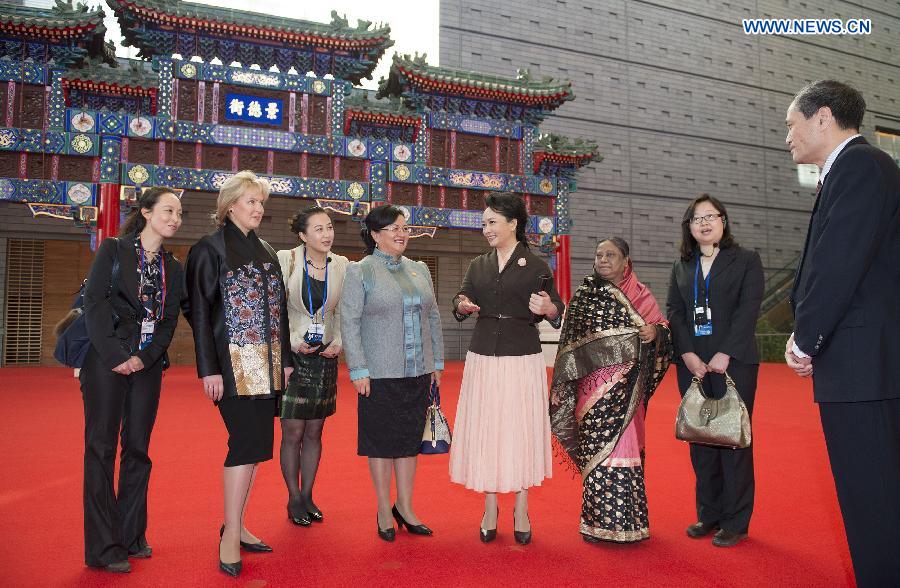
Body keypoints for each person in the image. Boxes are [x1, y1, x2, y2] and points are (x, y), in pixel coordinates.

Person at [783, 80, 900, 586]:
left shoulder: (860, 168)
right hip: (861, 363)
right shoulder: (855, 170)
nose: (787, 136)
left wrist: (806, 339)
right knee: (874, 493)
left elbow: (838, 264)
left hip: (862, 368)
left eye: (791, 124)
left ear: (823, 118)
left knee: (871, 497)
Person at [184, 171, 292, 577]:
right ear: (230, 206)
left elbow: (278, 308)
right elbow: (196, 311)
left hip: (268, 364)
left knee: (256, 447)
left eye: (261, 202)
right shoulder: (208, 249)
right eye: (251, 201)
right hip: (233, 364)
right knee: (244, 444)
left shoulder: (264, 248)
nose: (258, 208)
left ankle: (239, 523)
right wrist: (208, 369)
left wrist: (284, 360)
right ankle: (230, 534)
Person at [449, 192, 564, 545]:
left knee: (519, 430)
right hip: (483, 356)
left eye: (492, 222)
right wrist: (463, 304)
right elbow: (460, 298)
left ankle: (522, 507)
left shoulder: (538, 265)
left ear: (513, 224)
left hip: (521, 357)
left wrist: (548, 307)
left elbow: (556, 307)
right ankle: (489, 507)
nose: (487, 229)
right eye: (484, 223)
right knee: (489, 429)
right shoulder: (478, 265)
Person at [80, 187, 184, 573]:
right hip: (105, 360)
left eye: (179, 213)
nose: (175, 218)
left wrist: (144, 358)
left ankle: (132, 534)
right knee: (101, 448)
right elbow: (95, 302)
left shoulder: (174, 266)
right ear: (146, 212)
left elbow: (169, 320)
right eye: (168, 210)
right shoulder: (114, 249)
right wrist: (116, 357)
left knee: (138, 448)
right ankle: (103, 547)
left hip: (147, 364)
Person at [551, 237, 672, 543]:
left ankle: (629, 526)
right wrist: (564, 385)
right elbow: (569, 346)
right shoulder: (584, 297)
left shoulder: (640, 295)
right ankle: (594, 525)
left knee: (624, 453)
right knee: (597, 456)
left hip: (627, 393)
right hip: (591, 392)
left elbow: (664, 330)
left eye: (610, 255)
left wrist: (654, 332)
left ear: (625, 262)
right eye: (598, 254)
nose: (603, 259)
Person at [339, 205, 444, 542]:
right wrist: (358, 368)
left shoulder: (420, 269)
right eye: (394, 228)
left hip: (418, 371)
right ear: (374, 235)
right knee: (381, 443)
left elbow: (433, 318)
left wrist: (436, 363)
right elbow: (350, 322)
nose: (402, 234)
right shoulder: (361, 271)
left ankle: (406, 506)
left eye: (405, 228)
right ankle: (384, 508)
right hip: (379, 373)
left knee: (409, 443)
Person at [666, 194, 763, 548]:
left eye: (711, 216)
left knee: (733, 438)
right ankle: (709, 514)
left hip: (733, 362)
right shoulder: (682, 264)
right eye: (696, 218)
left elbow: (748, 309)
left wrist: (725, 353)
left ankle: (736, 521)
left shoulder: (746, 260)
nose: (704, 223)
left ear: (724, 221)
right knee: (701, 438)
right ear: (688, 227)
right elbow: (674, 311)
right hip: (693, 365)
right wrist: (688, 354)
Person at [276, 206, 349, 526]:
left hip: (324, 357)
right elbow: (274, 309)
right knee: (293, 430)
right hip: (294, 355)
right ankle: (293, 498)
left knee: (316, 430)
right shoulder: (286, 260)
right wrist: (290, 342)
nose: (327, 234)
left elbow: (346, 310)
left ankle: (308, 495)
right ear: (303, 235)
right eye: (318, 229)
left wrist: (340, 342)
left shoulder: (342, 265)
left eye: (329, 227)